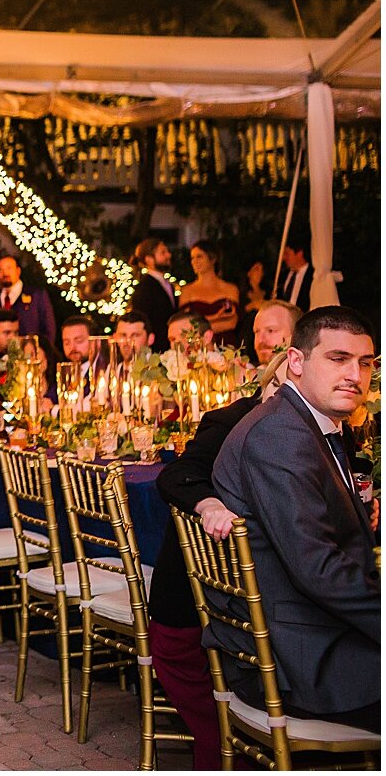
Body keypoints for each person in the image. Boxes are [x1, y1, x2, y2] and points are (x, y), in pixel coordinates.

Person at [210, 306, 379, 731]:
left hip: (307, 628)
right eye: (338, 359)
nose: (355, 376)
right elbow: (317, 570)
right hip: (298, 657)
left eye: (366, 363)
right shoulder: (280, 435)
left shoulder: (306, 422)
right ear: (296, 362)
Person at [148, 303, 298, 769]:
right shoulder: (236, 419)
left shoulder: (328, 434)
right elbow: (176, 476)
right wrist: (209, 503)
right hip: (203, 615)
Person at [0, 255, 56, 357]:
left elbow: (49, 331)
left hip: (30, 357)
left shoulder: (37, 296)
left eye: (9, 268)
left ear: (18, 271)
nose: (5, 273)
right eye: (1, 269)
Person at [178, 241, 240, 347]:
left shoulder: (230, 289)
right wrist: (216, 317)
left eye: (199, 257)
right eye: (192, 258)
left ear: (212, 259)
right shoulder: (186, 291)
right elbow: (186, 325)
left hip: (226, 345)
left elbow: (232, 323)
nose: (194, 261)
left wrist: (200, 329)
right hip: (198, 347)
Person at [129, 237, 177, 335]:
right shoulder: (144, 288)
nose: (169, 255)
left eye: (167, 251)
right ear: (149, 260)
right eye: (163, 253)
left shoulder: (168, 284)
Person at [251, 299, 302, 367]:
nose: (260, 340)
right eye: (257, 332)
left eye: (270, 331)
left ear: (295, 335)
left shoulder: (310, 375)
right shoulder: (253, 374)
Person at [279, 240, 314, 309]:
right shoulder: (283, 275)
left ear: (299, 253)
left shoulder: (313, 276)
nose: (283, 258)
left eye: (286, 253)